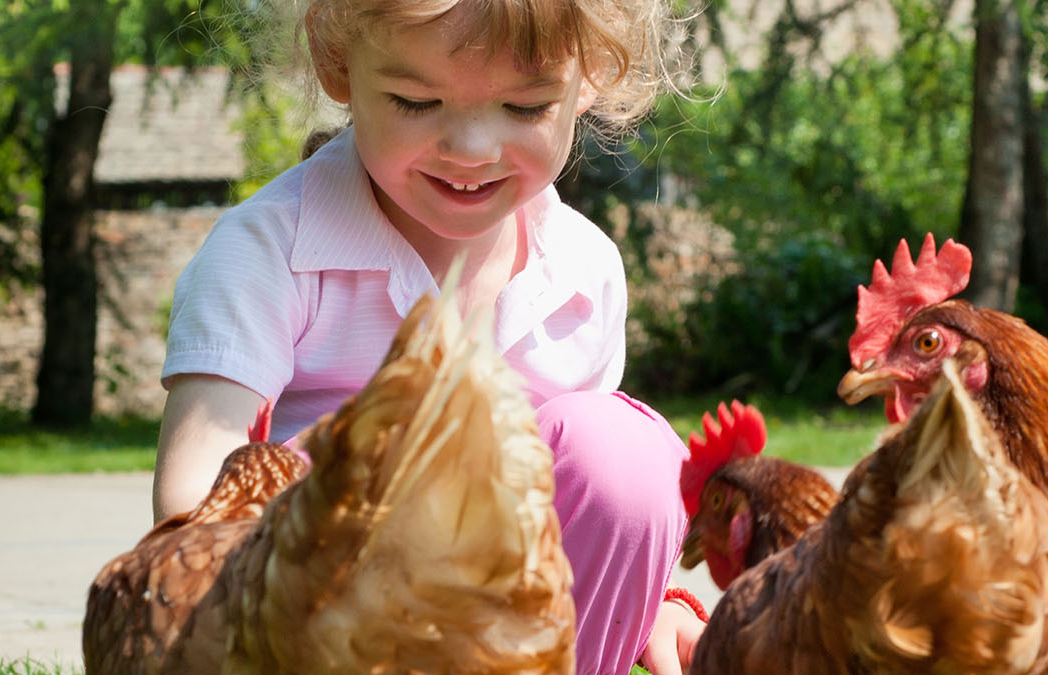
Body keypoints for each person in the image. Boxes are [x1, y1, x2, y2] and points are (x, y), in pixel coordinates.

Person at [152, 1, 706, 672]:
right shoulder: (266, 252)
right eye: (417, 102)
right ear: (337, 64)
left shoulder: (583, 273)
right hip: (315, 631)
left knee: (621, 451)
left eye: (525, 108)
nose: (471, 148)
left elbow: (591, 511)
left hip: (517, 632)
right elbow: (194, 512)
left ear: (588, 80)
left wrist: (654, 600)